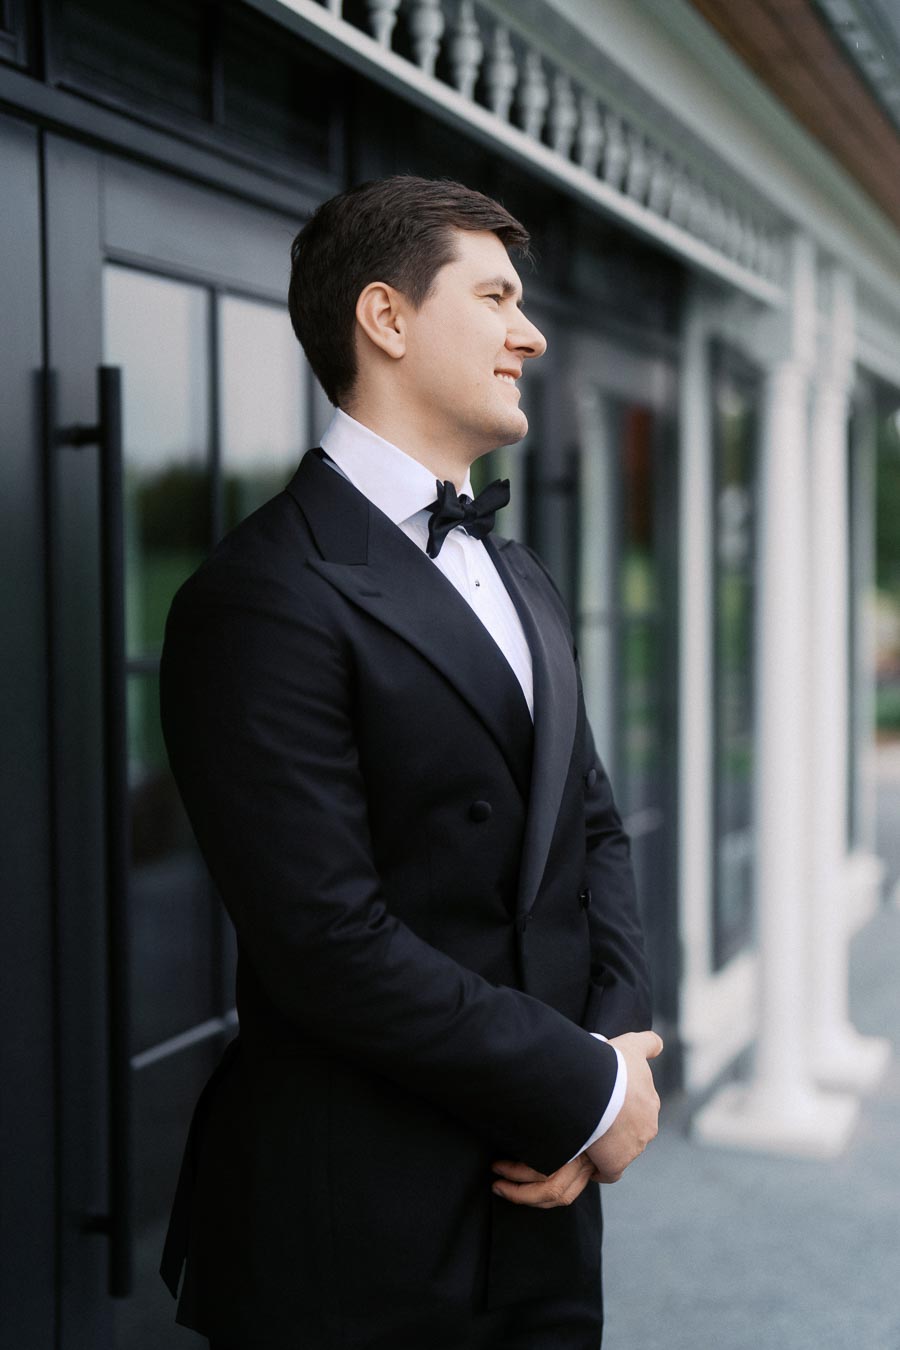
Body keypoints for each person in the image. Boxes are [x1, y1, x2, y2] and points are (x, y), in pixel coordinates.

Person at [159, 175, 662, 1350]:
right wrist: (582, 1092)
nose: (529, 333)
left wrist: (614, 1054)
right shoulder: (258, 596)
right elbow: (329, 944)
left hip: (544, 1195)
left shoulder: (521, 571)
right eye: (495, 297)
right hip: (361, 1224)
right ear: (386, 319)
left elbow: (590, 828)